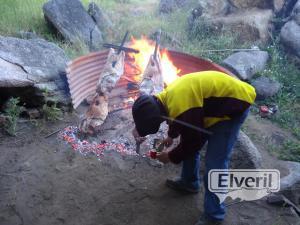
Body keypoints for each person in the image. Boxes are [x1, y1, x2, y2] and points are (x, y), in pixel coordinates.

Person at [132, 71, 256, 225]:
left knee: (215, 163)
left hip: (233, 106)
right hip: (211, 106)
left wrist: (170, 157)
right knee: (188, 140)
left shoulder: (182, 104)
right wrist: (171, 135)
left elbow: (193, 141)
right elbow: (181, 118)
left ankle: (214, 216)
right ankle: (189, 182)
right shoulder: (167, 96)